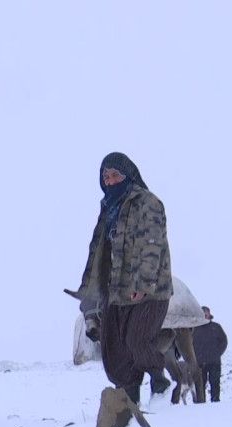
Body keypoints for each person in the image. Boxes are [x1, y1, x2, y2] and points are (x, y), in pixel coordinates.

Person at [75, 152, 173, 405]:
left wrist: (144, 285)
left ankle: (159, 385)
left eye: (115, 175)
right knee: (115, 351)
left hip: (147, 291)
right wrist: (88, 290)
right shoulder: (108, 210)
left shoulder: (147, 202)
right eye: (105, 177)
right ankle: (130, 403)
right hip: (114, 291)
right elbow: (98, 252)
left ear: (128, 175)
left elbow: (152, 244)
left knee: (137, 340)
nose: (109, 181)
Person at [192, 305, 228, 402]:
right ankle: (200, 404)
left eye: (206, 312)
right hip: (199, 363)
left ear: (209, 314)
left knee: (215, 383)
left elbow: (224, 341)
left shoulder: (216, 327)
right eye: (202, 312)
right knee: (200, 385)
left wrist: (217, 353)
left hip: (214, 362)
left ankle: (215, 403)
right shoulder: (194, 328)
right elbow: (188, 344)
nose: (204, 314)